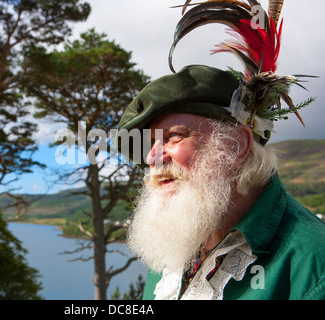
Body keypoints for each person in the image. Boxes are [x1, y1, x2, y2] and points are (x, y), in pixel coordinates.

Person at [117, 1, 325, 300]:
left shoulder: (312, 263)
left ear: (236, 145)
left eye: (173, 137)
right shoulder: (178, 236)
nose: (152, 156)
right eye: (150, 143)